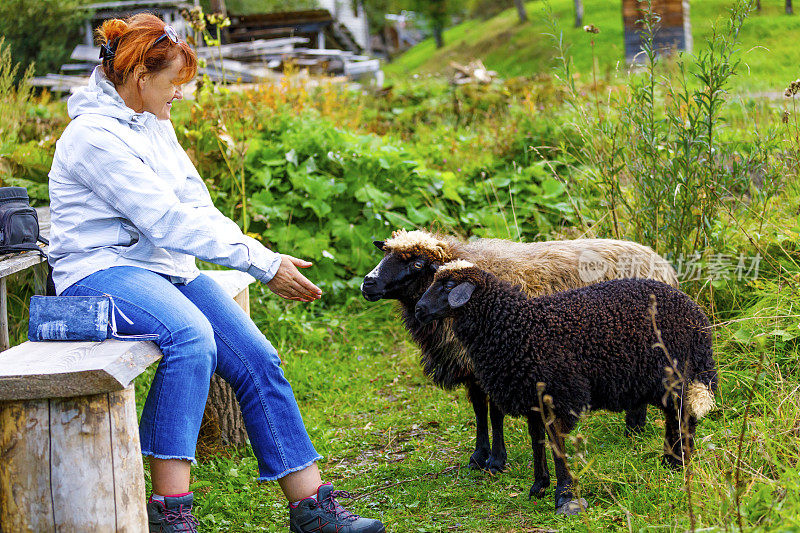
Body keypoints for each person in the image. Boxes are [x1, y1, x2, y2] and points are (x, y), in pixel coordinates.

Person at [47, 13, 385, 533]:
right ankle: (169, 512)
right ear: (140, 79)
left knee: (256, 357)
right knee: (192, 338)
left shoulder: (155, 126)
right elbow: (164, 219)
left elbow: (196, 207)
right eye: (171, 83)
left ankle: (311, 507)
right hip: (98, 272)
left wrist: (259, 253)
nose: (178, 95)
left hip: (162, 269)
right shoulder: (91, 137)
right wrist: (259, 262)